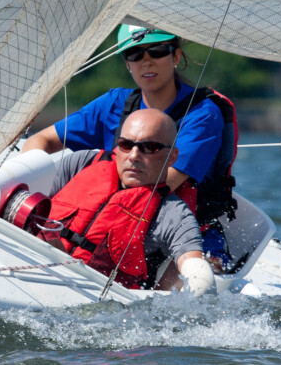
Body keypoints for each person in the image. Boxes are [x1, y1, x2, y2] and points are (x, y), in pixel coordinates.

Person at [23, 25, 237, 222]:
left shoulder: (203, 114)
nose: (146, 61)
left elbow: (162, 186)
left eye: (158, 51)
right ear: (127, 64)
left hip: (178, 231)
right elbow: (42, 139)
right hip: (103, 217)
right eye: (135, 54)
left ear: (176, 56)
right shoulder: (114, 103)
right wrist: (32, 188)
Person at [34, 108, 214, 296]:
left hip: (93, 298)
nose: (134, 155)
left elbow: (196, 269)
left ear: (172, 157)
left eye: (150, 147)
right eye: (126, 144)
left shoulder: (173, 213)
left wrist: (200, 281)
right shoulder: (81, 163)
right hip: (29, 268)